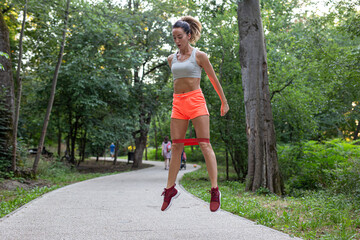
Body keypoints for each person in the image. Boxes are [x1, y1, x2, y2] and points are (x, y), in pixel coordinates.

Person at [161, 16, 229, 212]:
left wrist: (223, 101)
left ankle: (215, 190)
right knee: (176, 147)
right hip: (178, 103)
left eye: (180, 37)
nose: (176, 41)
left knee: (205, 144)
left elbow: (213, 79)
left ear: (189, 36)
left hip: (196, 101)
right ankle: (169, 189)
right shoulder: (171, 59)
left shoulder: (200, 56)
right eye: (174, 37)